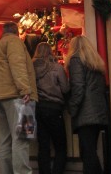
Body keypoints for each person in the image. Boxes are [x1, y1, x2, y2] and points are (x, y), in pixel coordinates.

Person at [0, 21, 38, 174]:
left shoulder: (0, 44)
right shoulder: (15, 42)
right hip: (18, 97)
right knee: (22, 140)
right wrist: (25, 90)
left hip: (1, 97)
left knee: (5, 141)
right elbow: (18, 65)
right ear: (17, 32)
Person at [64, 35, 109, 174]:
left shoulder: (76, 60)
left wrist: (72, 107)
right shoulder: (95, 62)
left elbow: (78, 88)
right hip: (98, 110)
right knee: (91, 151)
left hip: (85, 112)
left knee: (87, 152)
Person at [33, 41, 69, 174]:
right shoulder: (57, 68)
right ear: (50, 51)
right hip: (54, 109)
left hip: (38, 108)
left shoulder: (31, 68)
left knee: (43, 146)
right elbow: (65, 89)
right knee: (60, 147)